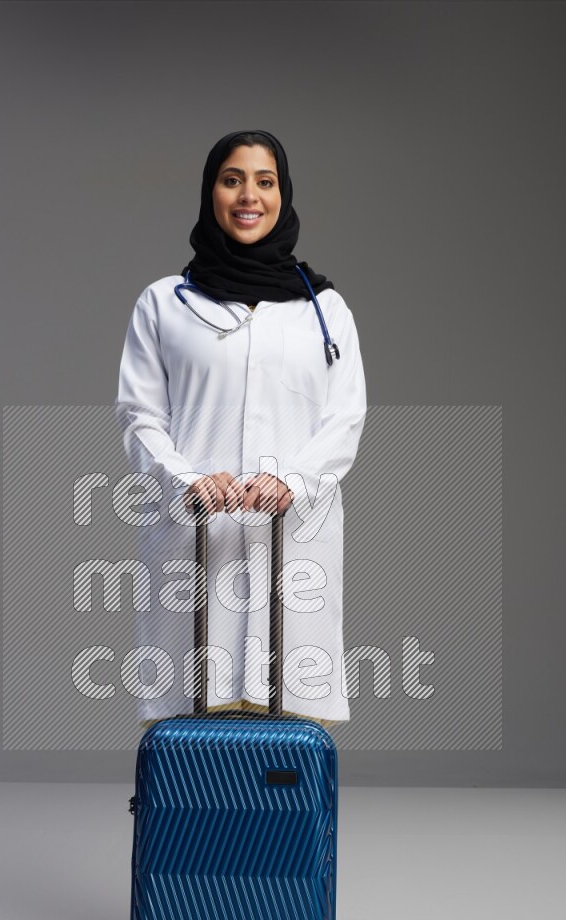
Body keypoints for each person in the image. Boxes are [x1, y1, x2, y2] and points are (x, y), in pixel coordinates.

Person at [115, 130, 367, 729]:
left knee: (289, 732)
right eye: (232, 179)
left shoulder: (324, 311)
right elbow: (140, 417)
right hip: (193, 539)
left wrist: (296, 483)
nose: (248, 195)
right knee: (189, 734)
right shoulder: (164, 304)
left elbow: (346, 416)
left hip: (294, 541)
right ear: (210, 193)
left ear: (282, 195)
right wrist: (187, 480)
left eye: (264, 180)